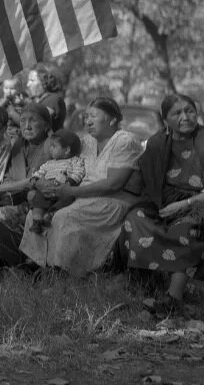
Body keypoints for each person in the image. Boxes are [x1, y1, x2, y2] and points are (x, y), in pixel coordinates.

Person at [20, 97, 142, 276]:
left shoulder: (125, 140)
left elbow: (114, 183)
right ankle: (39, 265)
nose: (88, 121)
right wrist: (43, 184)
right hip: (81, 196)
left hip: (113, 201)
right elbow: (59, 160)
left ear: (112, 119)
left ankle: (61, 270)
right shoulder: (86, 142)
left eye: (93, 116)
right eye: (86, 117)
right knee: (36, 214)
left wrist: (71, 191)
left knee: (63, 217)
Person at [123, 94, 204, 315]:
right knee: (134, 219)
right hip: (162, 202)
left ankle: (173, 298)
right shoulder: (157, 141)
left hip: (200, 203)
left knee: (188, 229)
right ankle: (146, 285)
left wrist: (183, 204)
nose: (185, 117)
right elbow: (142, 177)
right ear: (165, 119)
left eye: (190, 111)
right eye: (177, 113)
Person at [0, 102, 54, 271]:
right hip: (14, 198)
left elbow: (34, 181)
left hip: (39, 204)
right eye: (22, 121)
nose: (26, 126)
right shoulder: (20, 144)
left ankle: (6, 264)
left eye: (32, 121)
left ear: (46, 125)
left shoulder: (50, 145)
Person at [25, 130, 85, 233]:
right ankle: (37, 221)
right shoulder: (49, 163)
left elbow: (78, 172)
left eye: (54, 146)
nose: (50, 149)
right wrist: (35, 179)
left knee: (69, 198)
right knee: (37, 198)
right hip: (45, 189)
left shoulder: (75, 161)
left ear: (66, 150)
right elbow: (39, 172)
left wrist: (69, 183)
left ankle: (51, 213)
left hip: (62, 189)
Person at [25, 63, 66, 131]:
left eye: (32, 80)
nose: (28, 84)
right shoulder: (41, 100)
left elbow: (37, 123)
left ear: (43, 82)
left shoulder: (52, 99)